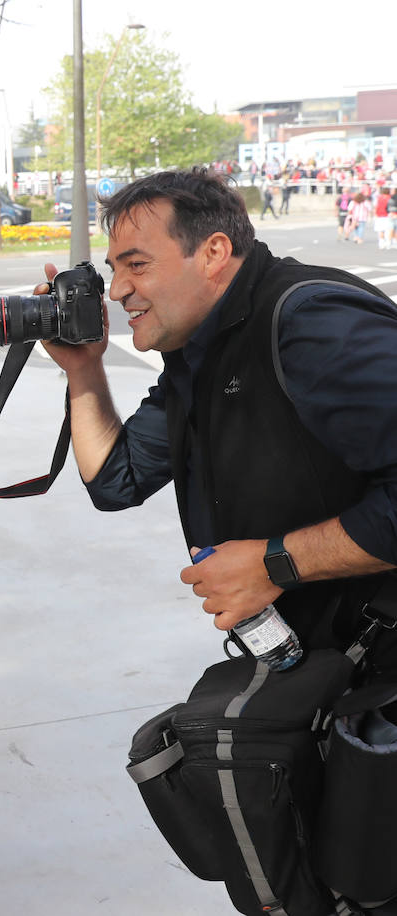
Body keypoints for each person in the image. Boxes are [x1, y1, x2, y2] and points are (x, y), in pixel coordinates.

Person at [40, 167, 397, 683]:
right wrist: (84, 368)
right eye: (114, 269)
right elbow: (117, 480)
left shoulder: (313, 323)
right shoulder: (200, 349)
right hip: (325, 668)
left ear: (212, 252)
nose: (117, 290)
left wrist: (275, 563)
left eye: (137, 265)